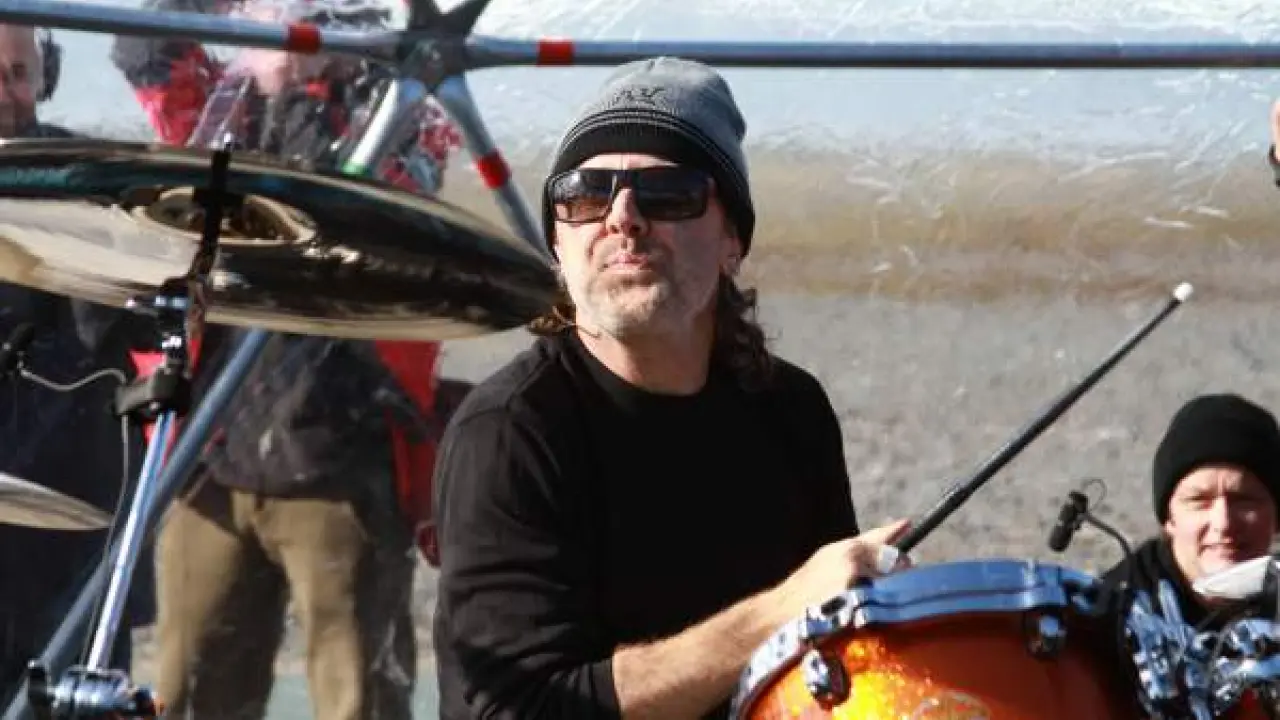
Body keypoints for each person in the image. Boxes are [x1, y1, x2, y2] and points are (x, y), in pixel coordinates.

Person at [431, 55, 913, 720]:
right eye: (585, 194)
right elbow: (520, 709)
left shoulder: (790, 410)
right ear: (559, 246)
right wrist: (781, 610)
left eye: (667, 193)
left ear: (731, 240)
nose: (623, 217)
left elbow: (835, 669)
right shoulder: (511, 433)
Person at [108, 4, 466, 718]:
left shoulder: (398, 105)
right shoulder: (223, 107)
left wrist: (314, 60)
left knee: (359, 697)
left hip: (344, 457)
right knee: (186, 693)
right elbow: (143, 48)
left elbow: (360, 208)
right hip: (211, 455)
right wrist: (238, 18)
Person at [0, 21, 154, 702]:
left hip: (68, 513)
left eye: (19, 74)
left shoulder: (88, 178)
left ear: (47, 74)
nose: (7, 94)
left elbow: (131, 323)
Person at [1102, 393, 1280, 632]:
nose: (1223, 523)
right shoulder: (1107, 620)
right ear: (1169, 519)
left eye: (1243, 500)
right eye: (1199, 501)